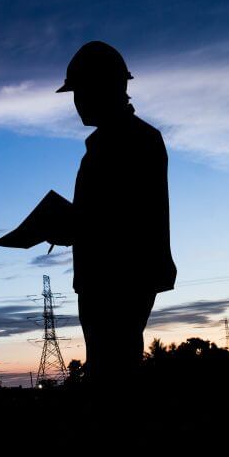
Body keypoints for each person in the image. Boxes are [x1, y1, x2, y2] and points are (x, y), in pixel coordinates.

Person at [46, 41, 177, 390]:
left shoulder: (130, 142)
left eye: (80, 93)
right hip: (110, 276)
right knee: (112, 370)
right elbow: (109, 215)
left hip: (118, 277)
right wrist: (73, 226)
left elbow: (124, 221)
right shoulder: (117, 141)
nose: (76, 104)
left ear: (103, 89)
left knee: (113, 376)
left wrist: (71, 226)